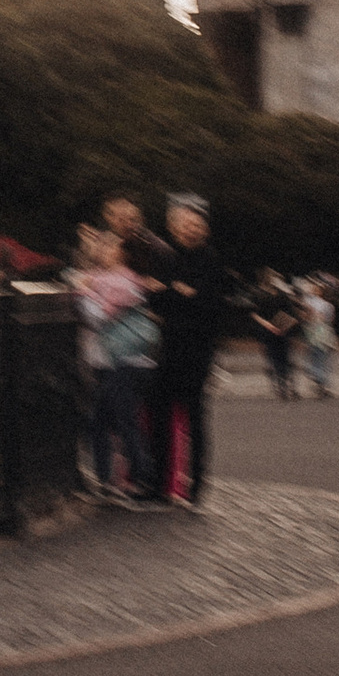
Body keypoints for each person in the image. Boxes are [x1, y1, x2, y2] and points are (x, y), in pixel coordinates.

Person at [68, 223, 155, 498]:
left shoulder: (123, 281)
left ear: (120, 253)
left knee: (121, 421)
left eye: (109, 246)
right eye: (101, 246)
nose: (102, 250)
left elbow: (98, 317)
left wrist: (82, 294)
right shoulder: (98, 277)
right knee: (102, 421)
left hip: (125, 361)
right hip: (108, 361)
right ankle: (108, 480)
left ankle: (141, 478)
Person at [149, 196, 226, 510]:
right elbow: (155, 299)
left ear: (204, 229)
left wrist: (176, 294)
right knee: (161, 416)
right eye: (184, 224)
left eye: (195, 224)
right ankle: (161, 483)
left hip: (197, 351)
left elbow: (209, 305)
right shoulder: (167, 257)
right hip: (169, 349)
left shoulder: (210, 259)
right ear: (173, 228)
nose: (189, 229)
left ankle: (197, 483)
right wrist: (179, 292)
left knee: (194, 418)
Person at [251, 276, 300, 400]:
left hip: (269, 332)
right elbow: (293, 316)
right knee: (286, 360)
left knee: (275, 360)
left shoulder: (262, 297)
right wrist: (284, 326)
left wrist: (268, 325)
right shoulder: (283, 297)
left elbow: (256, 315)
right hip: (283, 332)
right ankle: (290, 387)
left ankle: (282, 388)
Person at [295, 276, 337, 399]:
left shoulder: (308, 304)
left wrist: (309, 315)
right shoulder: (328, 305)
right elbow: (330, 320)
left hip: (313, 331)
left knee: (314, 357)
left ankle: (318, 379)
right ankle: (322, 382)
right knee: (323, 358)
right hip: (323, 331)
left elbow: (304, 318)